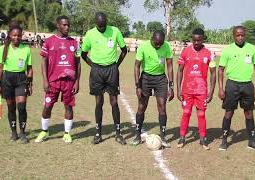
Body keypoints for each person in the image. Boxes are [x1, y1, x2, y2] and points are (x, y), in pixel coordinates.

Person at [81, 12, 128, 145]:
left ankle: (118, 134)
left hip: (112, 70)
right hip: (97, 71)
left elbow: (124, 50)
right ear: (96, 24)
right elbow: (83, 54)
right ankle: (98, 134)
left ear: (107, 22)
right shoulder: (90, 34)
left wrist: (116, 66)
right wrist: (93, 66)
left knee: (114, 102)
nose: (102, 28)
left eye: (104, 25)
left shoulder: (115, 31)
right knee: (99, 103)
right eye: (100, 26)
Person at [35, 16, 81, 143]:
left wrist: (77, 81)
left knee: (69, 107)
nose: (67, 27)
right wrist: (45, 80)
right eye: (64, 25)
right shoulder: (49, 42)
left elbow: (78, 63)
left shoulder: (75, 43)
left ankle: (67, 133)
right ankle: (44, 131)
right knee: (48, 106)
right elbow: (43, 61)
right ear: (58, 26)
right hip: (53, 81)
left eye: (68, 25)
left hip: (69, 82)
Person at [218, 26, 255, 151]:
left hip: (247, 85)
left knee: (249, 113)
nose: (240, 37)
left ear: (245, 35)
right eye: (237, 35)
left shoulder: (252, 49)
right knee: (229, 112)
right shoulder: (228, 50)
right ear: (233, 36)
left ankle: (252, 141)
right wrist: (221, 89)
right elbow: (220, 70)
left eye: (242, 35)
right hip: (232, 85)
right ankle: (224, 140)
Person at [130, 30, 174, 148]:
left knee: (162, 107)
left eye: (161, 43)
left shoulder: (167, 46)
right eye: (156, 43)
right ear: (152, 39)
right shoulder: (144, 47)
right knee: (141, 106)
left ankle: (163, 137)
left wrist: (171, 85)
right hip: (146, 78)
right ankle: (137, 136)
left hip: (160, 79)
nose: (159, 45)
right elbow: (136, 66)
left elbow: (169, 66)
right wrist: (137, 85)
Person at [176, 28, 216, 150]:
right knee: (186, 113)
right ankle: (182, 137)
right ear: (192, 39)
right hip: (187, 90)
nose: (196, 42)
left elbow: (213, 73)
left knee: (201, 114)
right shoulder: (185, 51)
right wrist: (178, 89)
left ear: (203, 39)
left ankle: (203, 139)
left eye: (198, 40)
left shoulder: (209, 53)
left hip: (201, 91)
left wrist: (211, 92)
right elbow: (180, 71)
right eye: (194, 40)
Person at [0, 24, 33, 144]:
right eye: (14, 35)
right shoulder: (3, 49)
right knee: (11, 107)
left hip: (21, 79)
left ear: (21, 36)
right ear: (10, 35)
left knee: (21, 107)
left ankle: (22, 132)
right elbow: (0, 67)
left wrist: (30, 83)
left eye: (19, 35)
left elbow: (30, 68)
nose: (16, 37)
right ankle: (14, 133)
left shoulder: (26, 49)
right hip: (7, 79)